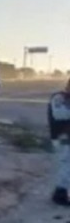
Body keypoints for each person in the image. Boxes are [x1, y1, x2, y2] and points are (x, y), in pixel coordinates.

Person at [48, 78, 70, 206]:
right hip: (63, 137)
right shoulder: (59, 97)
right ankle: (60, 194)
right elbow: (59, 114)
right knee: (66, 165)